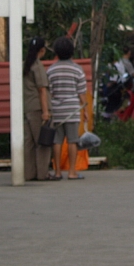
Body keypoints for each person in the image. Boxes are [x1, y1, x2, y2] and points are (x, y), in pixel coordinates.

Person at [46, 35, 88, 179]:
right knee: (72, 140)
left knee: (56, 141)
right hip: (73, 109)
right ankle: (72, 172)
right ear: (72, 51)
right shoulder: (77, 69)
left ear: (56, 52)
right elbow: (82, 92)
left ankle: (57, 172)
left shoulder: (50, 70)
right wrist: (85, 110)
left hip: (57, 110)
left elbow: (48, 92)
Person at [22, 36, 53, 181]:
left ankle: (29, 173)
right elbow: (42, 90)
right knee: (43, 142)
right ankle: (42, 173)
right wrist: (45, 112)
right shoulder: (38, 66)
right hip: (38, 108)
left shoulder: (24, 65)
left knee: (28, 143)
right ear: (42, 50)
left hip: (26, 107)